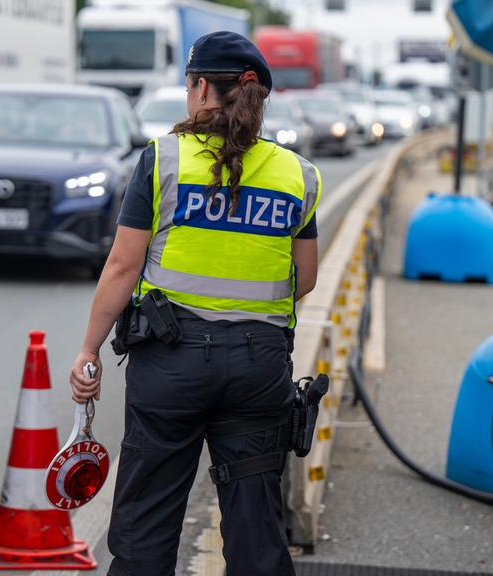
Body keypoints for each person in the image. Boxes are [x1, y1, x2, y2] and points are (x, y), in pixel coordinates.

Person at [70, 30, 321, 576]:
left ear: (202, 87)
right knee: (256, 532)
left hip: (171, 363)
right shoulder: (298, 175)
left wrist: (89, 349)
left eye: (190, 84)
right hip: (259, 368)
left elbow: (121, 267)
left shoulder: (162, 160)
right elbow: (304, 280)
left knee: (146, 525)